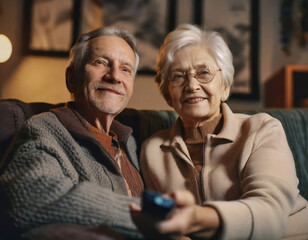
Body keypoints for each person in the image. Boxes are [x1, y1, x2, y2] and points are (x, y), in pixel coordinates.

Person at [130, 24, 308, 239]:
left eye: (204, 73)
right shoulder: (152, 150)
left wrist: (197, 218)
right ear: (168, 94)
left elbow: (271, 211)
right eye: (178, 76)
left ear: (224, 87)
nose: (192, 85)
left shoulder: (262, 129)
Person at [0, 27, 145, 239]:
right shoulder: (45, 128)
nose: (114, 76)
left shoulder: (131, 143)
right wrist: (148, 218)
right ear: (71, 78)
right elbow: (26, 197)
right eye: (101, 62)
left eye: (126, 69)